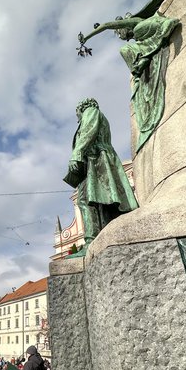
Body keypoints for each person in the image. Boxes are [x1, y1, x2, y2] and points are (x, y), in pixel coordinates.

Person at [63, 98, 138, 253]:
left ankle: (91, 240)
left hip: (96, 160)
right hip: (95, 160)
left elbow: (88, 133)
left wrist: (76, 153)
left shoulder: (90, 112)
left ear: (80, 108)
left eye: (77, 113)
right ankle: (99, 237)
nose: (77, 117)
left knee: (85, 200)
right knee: (95, 201)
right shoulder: (95, 114)